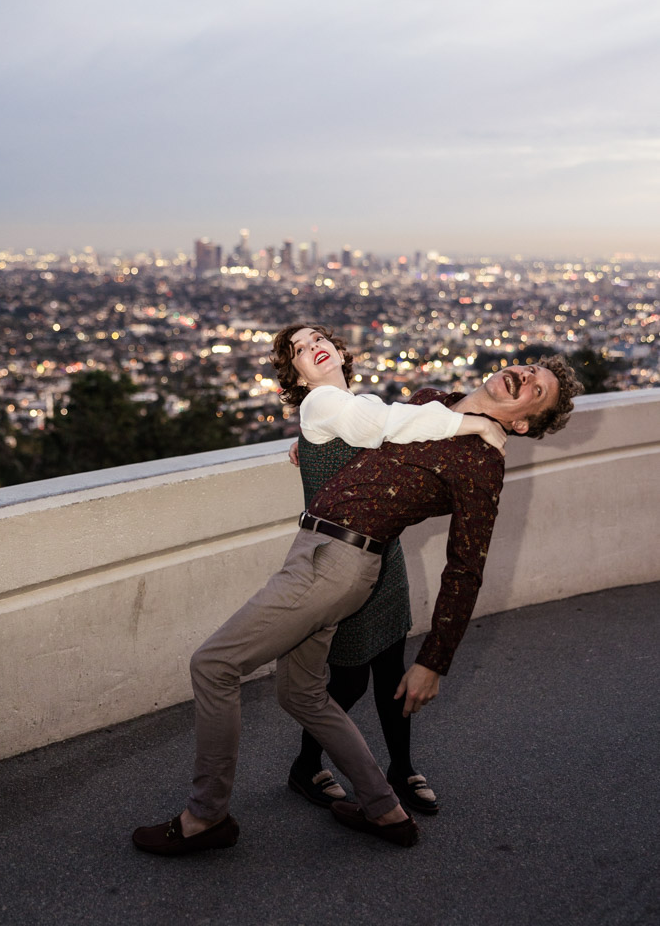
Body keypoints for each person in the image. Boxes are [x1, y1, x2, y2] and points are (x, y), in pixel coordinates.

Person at [132, 333, 582, 855]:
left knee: (213, 665)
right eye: (528, 369)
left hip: (339, 561)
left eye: (536, 389)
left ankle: (204, 818)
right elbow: (377, 428)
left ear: (523, 422)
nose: (525, 376)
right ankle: (385, 811)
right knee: (299, 693)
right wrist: (317, 444)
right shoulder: (430, 401)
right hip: (319, 550)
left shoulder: (483, 461)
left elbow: (466, 567)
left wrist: (435, 660)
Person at [272, 324, 506, 816]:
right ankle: (305, 765)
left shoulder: (349, 406)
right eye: (297, 349)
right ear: (294, 373)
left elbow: (387, 426)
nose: (311, 347)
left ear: (338, 349)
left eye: (318, 338)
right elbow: (386, 424)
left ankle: (401, 767)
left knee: (390, 672)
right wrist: (478, 426)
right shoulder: (320, 404)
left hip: (385, 556)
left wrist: (303, 447)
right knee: (351, 679)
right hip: (342, 558)